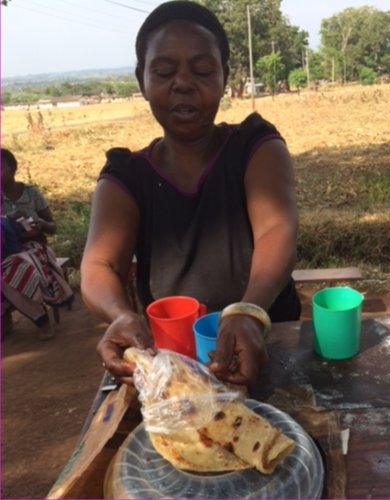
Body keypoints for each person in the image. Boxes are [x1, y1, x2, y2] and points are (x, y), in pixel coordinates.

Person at [81, 1, 300, 386]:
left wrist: (247, 313)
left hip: (266, 342)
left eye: (201, 70)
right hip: (175, 363)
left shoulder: (255, 146)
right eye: (164, 71)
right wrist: (119, 313)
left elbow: (276, 229)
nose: (183, 83)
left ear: (224, 76)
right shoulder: (126, 175)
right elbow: (99, 266)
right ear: (141, 79)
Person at [1, 148, 73, 340]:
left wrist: (40, 224)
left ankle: (41, 320)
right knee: (8, 268)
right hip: (5, 250)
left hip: (35, 247)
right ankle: (7, 315)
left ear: (13, 168)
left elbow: (53, 228)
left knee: (20, 268)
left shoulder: (31, 194)